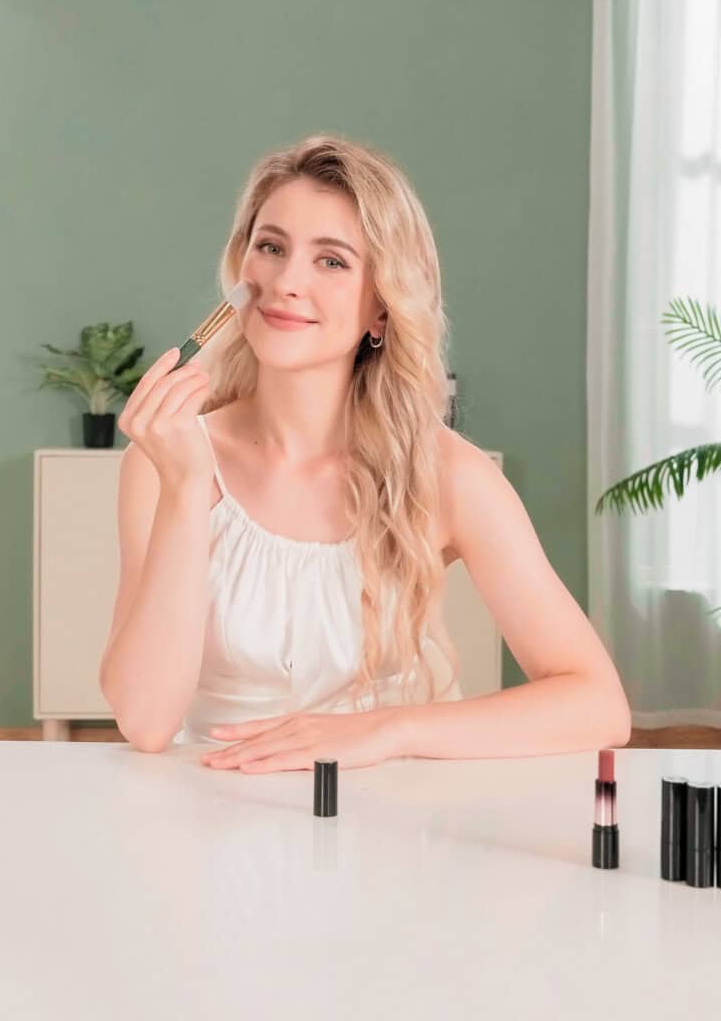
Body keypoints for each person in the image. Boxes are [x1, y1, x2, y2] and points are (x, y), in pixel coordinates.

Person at [99, 133, 632, 771]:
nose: (286, 282)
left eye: (332, 261)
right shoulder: (167, 465)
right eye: (271, 247)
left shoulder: (446, 474)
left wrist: (388, 731)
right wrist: (186, 493)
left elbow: (599, 705)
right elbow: (146, 722)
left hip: (393, 825)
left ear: (381, 308)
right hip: (212, 813)